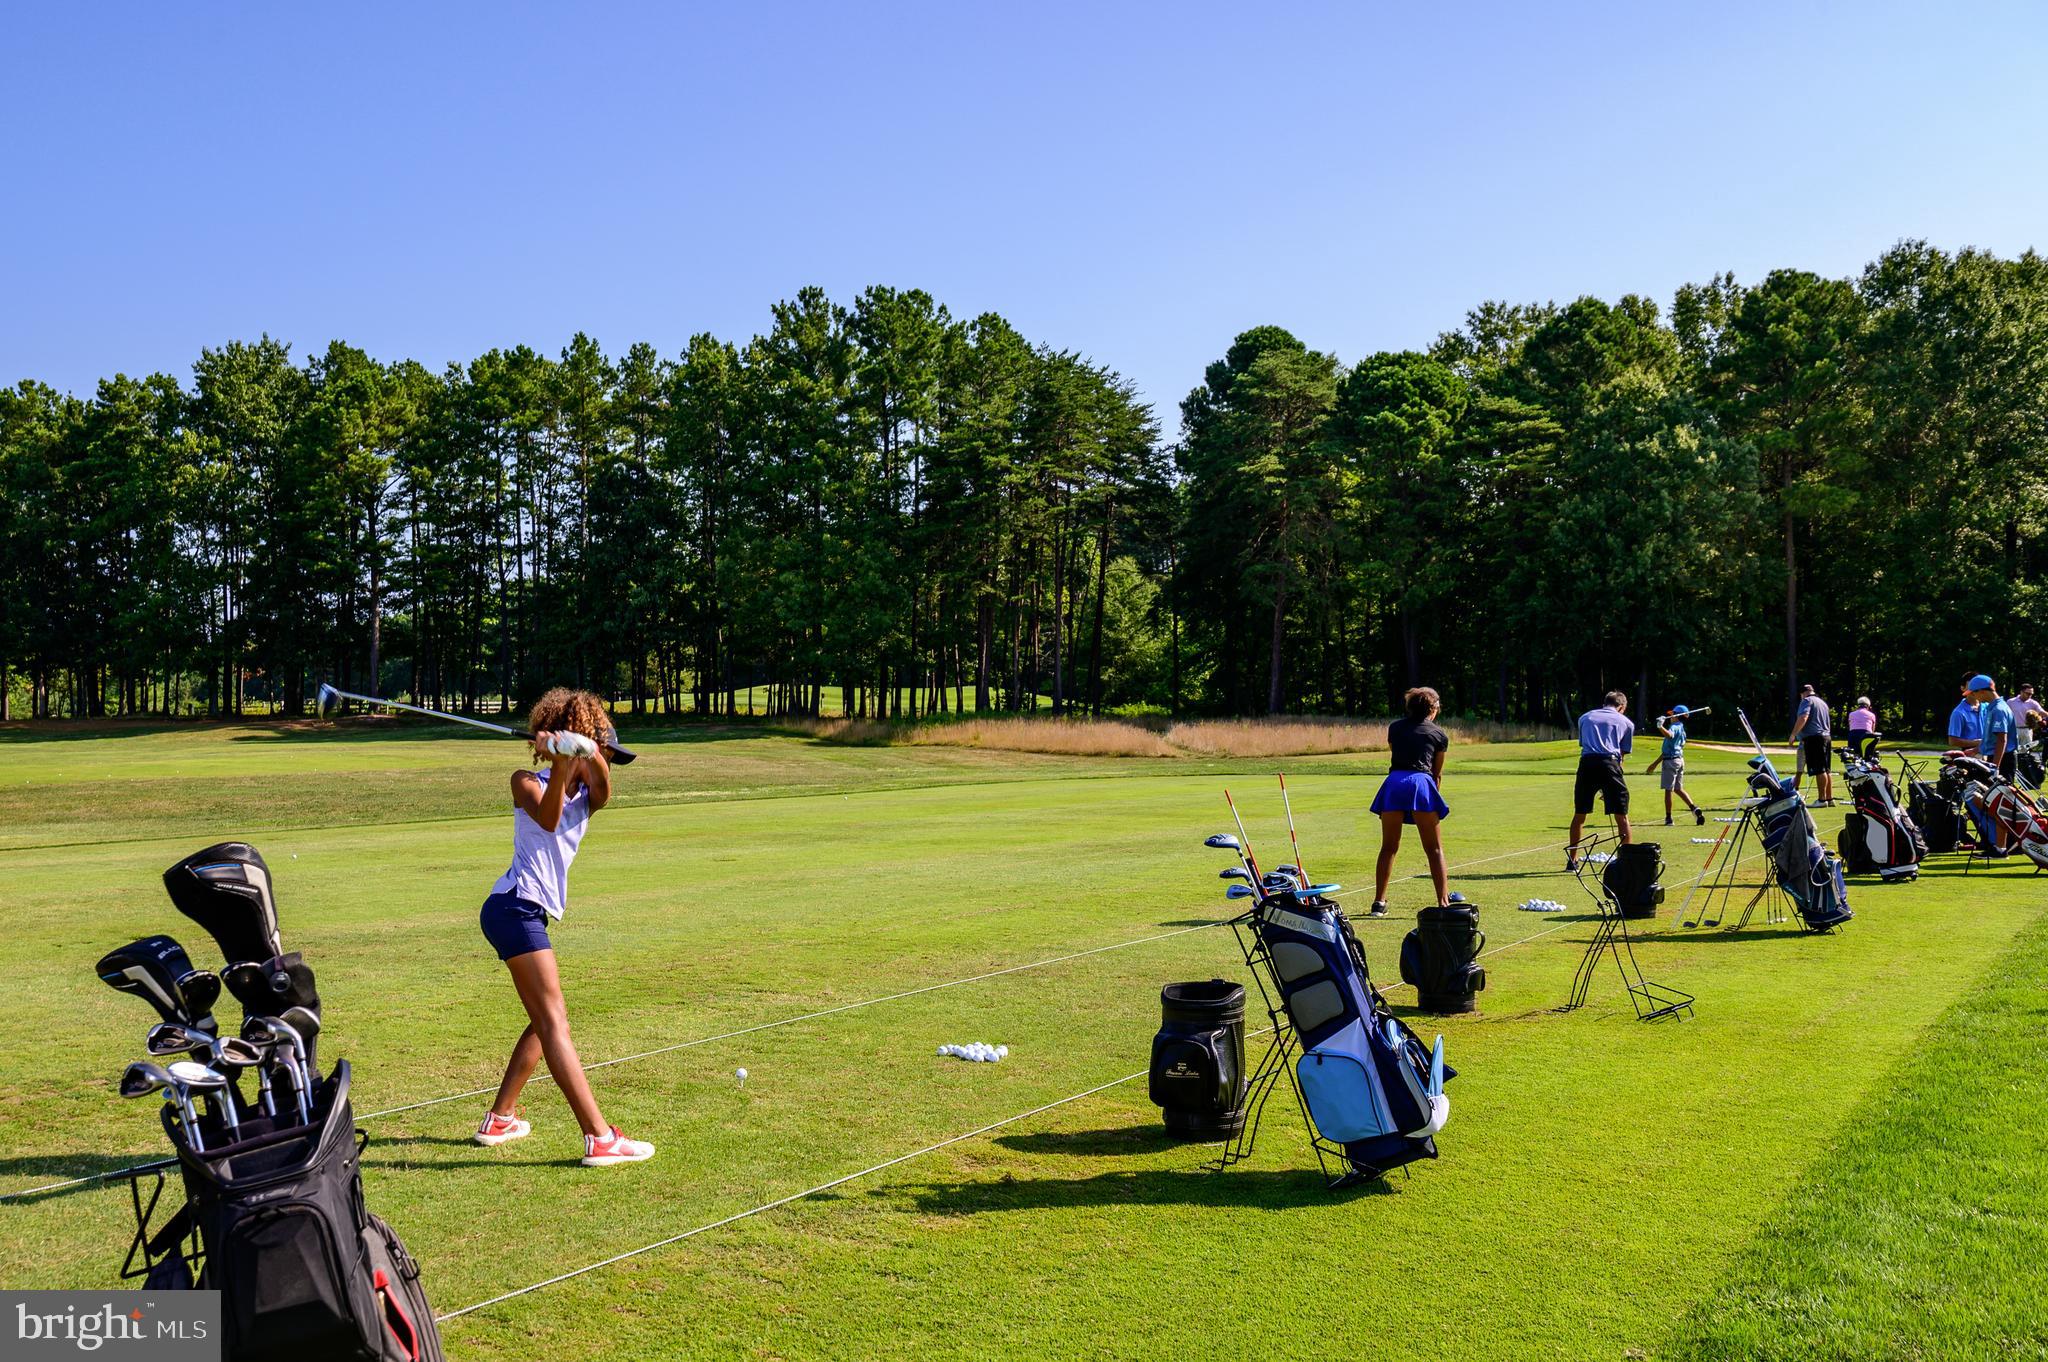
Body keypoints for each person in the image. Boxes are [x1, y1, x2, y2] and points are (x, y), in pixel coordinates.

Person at [474, 688, 656, 1167]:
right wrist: (558, 760)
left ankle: (500, 1119)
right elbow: (549, 820)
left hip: (527, 912)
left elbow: (604, 788)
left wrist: (588, 750)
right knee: (556, 1021)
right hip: (512, 907)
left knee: (544, 1019)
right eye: (606, 752)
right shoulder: (525, 782)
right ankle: (599, 1136)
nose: (608, 763)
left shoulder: (590, 796)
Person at [1368, 686, 1451, 917]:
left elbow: (1396, 754)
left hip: (1394, 783)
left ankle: (1378, 903)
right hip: (1421, 784)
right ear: (1433, 709)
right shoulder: (1439, 734)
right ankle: (1443, 903)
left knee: (1389, 847)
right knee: (1434, 849)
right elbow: (1436, 773)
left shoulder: (1394, 728)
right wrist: (1431, 804)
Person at [1566, 691, 1633, 870]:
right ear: (1622, 707)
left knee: (1580, 814)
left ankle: (1572, 860)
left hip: (1586, 764)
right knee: (1622, 816)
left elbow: (1585, 745)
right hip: (1610, 764)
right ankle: (1627, 861)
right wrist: (1608, 787)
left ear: (1605, 703)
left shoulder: (1584, 718)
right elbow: (1621, 756)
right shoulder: (1626, 722)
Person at [1643, 705, 1706, 827]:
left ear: (1676, 716)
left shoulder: (1675, 727)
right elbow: (1667, 750)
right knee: (1678, 788)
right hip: (1679, 760)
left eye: (1672, 714)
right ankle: (1694, 808)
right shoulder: (1682, 728)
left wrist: (1660, 726)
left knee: (1668, 790)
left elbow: (1669, 735)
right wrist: (1654, 764)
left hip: (1671, 762)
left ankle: (1669, 818)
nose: (1670, 716)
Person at [1788, 684, 1834, 806]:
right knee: (1826, 770)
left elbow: (1803, 717)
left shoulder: (1807, 700)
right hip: (1826, 737)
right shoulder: (1822, 703)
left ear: (1802, 694)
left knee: (1819, 769)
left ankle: (1822, 799)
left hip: (1814, 738)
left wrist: (1793, 734)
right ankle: (1829, 798)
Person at [1970, 674, 2017, 783]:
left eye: (1973, 693)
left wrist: (1994, 767)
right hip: (1997, 759)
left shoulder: (1998, 710)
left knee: (2002, 797)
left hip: (2003, 760)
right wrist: (1974, 750)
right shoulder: (1991, 708)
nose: (1973, 696)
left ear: (1982, 691)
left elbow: (2001, 740)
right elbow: (1991, 739)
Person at [1947, 675, 1983, 756]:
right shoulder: (1959, 712)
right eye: (1971, 686)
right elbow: (1953, 741)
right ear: (1962, 688)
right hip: (1970, 754)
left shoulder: (1988, 707)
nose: (1975, 689)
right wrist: (1977, 742)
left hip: (1990, 752)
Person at [2009, 684, 2044, 751]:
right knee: (2013, 751)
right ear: (2021, 692)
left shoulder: (2033, 703)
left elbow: (2041, 712)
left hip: (2027, 730)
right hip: (2014, 729)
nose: (2030, 696)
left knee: (2025, 751)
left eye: (2031, 694)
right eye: (2028, 693)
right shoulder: (2011, 702)